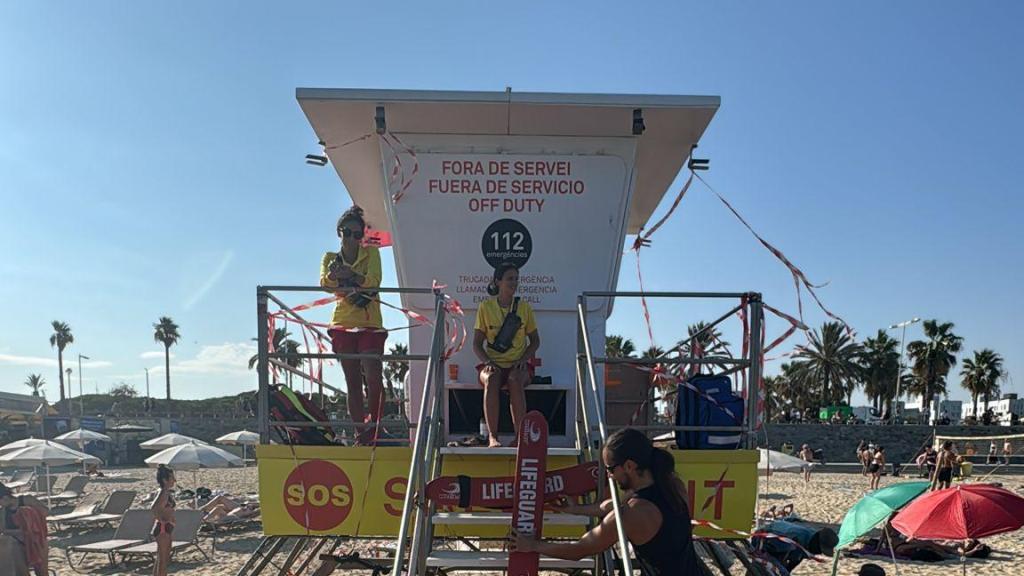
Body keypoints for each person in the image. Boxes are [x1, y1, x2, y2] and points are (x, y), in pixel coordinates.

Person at [511, 428, 701, 575]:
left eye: (610, 469)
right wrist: (576, 509)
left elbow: (579, 550)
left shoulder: (633, 513)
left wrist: (533, 545)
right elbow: (610, 506)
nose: (609, 476)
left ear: (629, 466)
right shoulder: (673, 485)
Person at [321, 206, 386, 445]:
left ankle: (376, 427)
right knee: (353, 382)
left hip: (370, 323)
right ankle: (361, 433)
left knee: (374, 376)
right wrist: (336, 275)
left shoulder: (372, 253)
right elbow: (325, 284)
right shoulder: (330, 258)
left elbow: (374, 282)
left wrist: (349, 274)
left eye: (357, 234)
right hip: (343, 323)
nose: (351, 238)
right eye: (347, 233)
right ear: (339, 232)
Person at [472, 261, 540, 448]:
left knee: (514, 379)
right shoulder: (485, 307)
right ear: (498, 281)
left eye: (516, 279)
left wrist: (523, 359)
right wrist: (487, 361)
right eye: (510, 278)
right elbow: (476, 344)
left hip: (518, 365)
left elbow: (535, 341)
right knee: (492, 378)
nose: (514, 283)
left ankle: (520, 437)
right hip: (493, 363)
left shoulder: (524, 308)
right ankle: (493, 437)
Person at [0, 483, 49, 576]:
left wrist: (29, 513)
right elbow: (3, 530)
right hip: (18, 544)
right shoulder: (3, 511)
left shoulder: (27, 499)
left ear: (5, 498)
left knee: (42, 572)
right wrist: (22, 532)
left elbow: (45, 512)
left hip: (38, 540)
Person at [151, 465, 176, 576]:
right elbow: (154, 507)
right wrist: (162, 519)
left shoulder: (164, 491)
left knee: (161, 559)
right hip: (163, 528)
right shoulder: (164, 492)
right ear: (165, 480)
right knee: (163, 561)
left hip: (164, 527)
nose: (174, 480)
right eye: (172, 478)